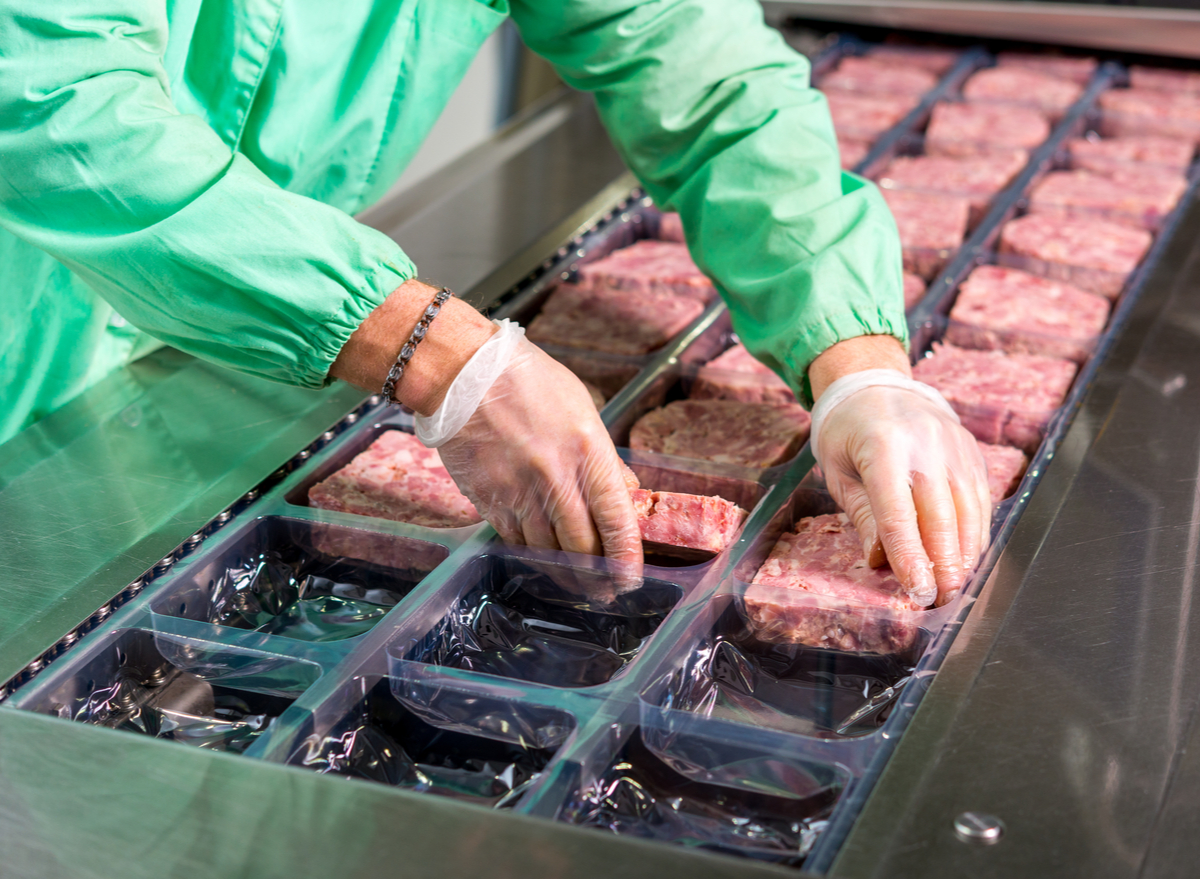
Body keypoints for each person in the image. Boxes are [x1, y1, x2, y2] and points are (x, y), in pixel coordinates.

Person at [0, 0, 989, 607]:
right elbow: (61, 114)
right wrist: (437, 353)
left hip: (170, 358)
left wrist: (858, 364)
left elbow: (716, 85)